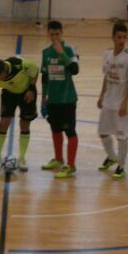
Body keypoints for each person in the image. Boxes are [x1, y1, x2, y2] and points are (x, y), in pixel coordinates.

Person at [97, 22, 128, 179]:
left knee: (122, 136)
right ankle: (112, 156)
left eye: (124, 37)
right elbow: (106, 76)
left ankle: (121, 166)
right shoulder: (107, 54)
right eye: (119, 37)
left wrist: (125, 102)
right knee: (102, 132)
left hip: (123, 103)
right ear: (113, 37)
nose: (122, 40)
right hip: (109, 101)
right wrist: (101, 95)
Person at [40, 20, 80, 179]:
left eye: (57, 34)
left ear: (62, 33)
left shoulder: (70, 49)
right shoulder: (45, 52)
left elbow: (75, 70)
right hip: (53, 99)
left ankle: (70, 166)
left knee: (70, 131)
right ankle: (58, 159)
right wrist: (43, 97)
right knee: (55, 129)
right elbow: (44, 76)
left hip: (67, 99)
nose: (55, 37)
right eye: (52, 34)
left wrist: (62, 53)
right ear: (48, 34)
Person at [0, 54, 40, 171]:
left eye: (0, 76)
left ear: (5, 70)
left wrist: (32, 89)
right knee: (4, 123)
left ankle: (22, 158)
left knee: (25, 123)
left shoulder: (21, 65)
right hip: (9, 94)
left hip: (27, 92)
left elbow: (35, 71)